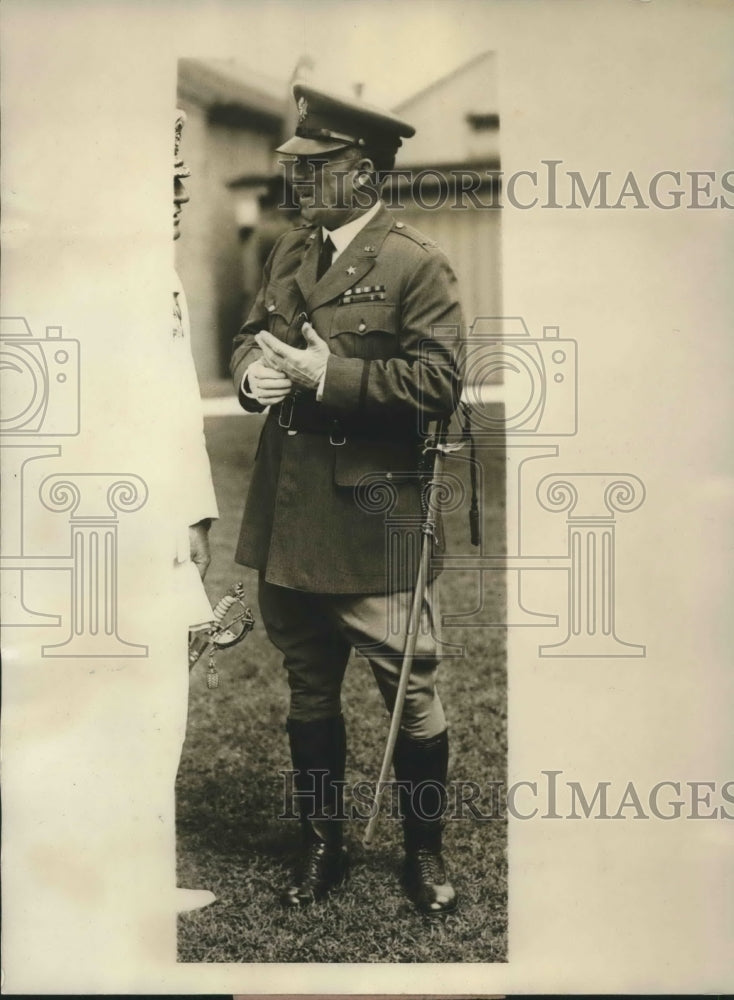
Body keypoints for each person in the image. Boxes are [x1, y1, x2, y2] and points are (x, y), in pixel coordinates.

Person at [230, 84, 463, 915]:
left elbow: (438, 383)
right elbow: (250, 335)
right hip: (291, 514)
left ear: (363, 174)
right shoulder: (290, 250)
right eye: (295, 165)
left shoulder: (414, 261)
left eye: (315, 167)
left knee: (411, 689)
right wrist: (252, 378)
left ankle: (424, 853)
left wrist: (330, 376)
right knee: (307, 685)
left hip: (372, 520)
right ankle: (321, 845)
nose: (296, 180)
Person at [171, 108, 220, 912]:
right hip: (108, 519)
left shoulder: (165, 275)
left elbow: (178, 408)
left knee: (166, 681)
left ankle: (141, 860)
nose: (181, 193)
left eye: (181, 179)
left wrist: (196, 513)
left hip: (162, 517)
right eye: (165, 181)